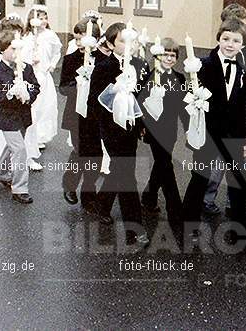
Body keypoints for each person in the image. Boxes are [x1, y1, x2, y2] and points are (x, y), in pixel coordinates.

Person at [182, 19, 246, 253]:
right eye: (226, 39)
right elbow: (190, 97)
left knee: (239, 184)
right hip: (209, 133)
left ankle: (242, 234)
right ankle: (187, 229)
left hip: (233, 135)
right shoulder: (202, 65)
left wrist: (245, 140)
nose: (230, 44)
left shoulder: (242, 70)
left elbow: (241, 109)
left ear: (243, 44)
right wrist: (192, 88)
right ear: (218, 39)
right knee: (199, 180)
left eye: (236, 40)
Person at [88, 22, 151, 249]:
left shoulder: (139, 65)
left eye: (129, 40)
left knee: (120, 170)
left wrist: (142, 123)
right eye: (121, 41)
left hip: (130, 128)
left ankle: (102, 204)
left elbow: (141, 98)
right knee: (127, 176)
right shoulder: (105, 66)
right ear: (111, 44)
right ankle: (135, 229)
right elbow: (94, 101)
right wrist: (114, 92)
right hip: (112, 130)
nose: (127, 45)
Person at [137, 37, 188, 223]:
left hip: (170, 130)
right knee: (166, 165)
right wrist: (140, 126)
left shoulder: (180, 78)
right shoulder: (150, 77)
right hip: (153, 129)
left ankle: (149, 197)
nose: (169, 59)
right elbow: (140, 103)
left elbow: (183, 107)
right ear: (158, 56)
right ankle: (175, 209)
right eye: (165, 55)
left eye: (173, 55)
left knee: (161, 164)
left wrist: (190, 128)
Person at [0, 30, 41, 204]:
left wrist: (28, 94)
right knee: (19, 150)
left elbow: (36, 86)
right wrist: (11, 93)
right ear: (2, 50)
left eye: (19, 49)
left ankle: (0, 173)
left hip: (23, 115)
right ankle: (20, 188)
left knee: (12, 147)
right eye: (13, 49)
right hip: (7, 118)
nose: (16, 53)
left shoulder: (27, 68)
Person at [59, 20, 104, 212]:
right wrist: (78, 86)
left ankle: (89, 194)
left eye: (82, 38)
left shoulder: (103, 59)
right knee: (80, 151)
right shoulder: (70, 59)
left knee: (95, 155)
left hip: (95, 115)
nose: (78, 42)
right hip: (76, 114)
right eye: (76, 39)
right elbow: (63, 87)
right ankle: (70, 184)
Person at [23, 7, 61, 147]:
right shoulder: (27, 36)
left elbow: (57, 52)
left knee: (45, 105)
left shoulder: (50, 35)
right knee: (33, 104)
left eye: (45, 18)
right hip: (31, 74)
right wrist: (28, 60)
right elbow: (21, 54)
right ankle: (30, 133)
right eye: (40, 18)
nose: (44, 21)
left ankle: (41, 135)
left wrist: (52, 64)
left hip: (43, 74)